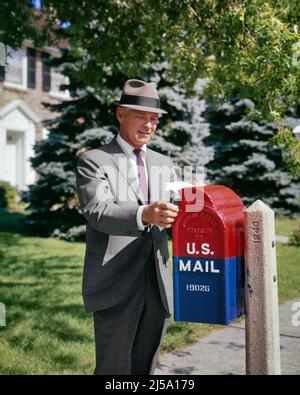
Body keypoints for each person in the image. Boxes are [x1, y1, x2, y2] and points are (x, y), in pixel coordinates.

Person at [76, 79, 178, 375]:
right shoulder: (95, 161)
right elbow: (98, 211)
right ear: (121, 114)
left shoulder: (164, 163)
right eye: (141, 116)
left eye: (154, 119)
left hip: (158, 283)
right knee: (114, 369)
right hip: (116, 283)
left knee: (146, 367)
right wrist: (144, 214)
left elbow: (177, 210)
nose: (149, 125)